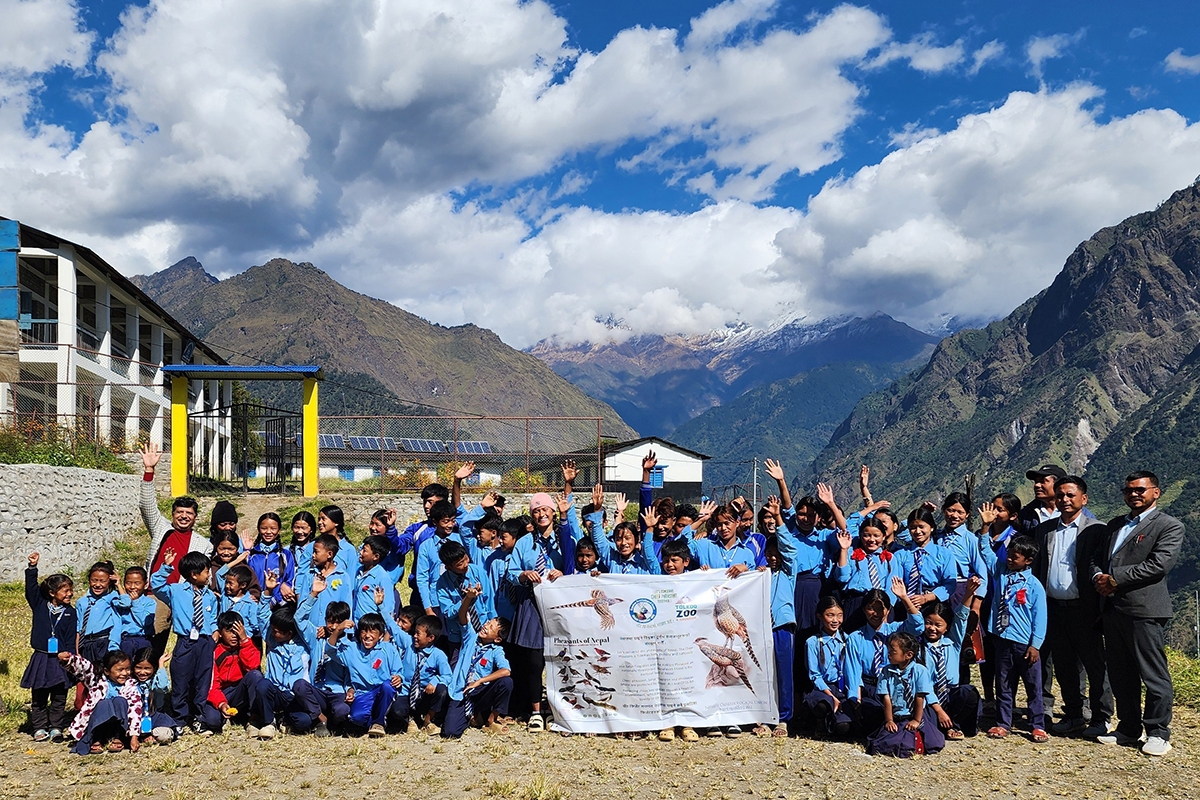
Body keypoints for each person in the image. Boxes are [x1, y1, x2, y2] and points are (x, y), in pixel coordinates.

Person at [1090, 470, 1183, 757]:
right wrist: (1097, 578)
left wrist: (1115, 579)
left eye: (1140, 490)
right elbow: (1097, 558)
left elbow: (1158, 565)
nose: (1134, 494)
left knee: (1152, 673)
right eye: (1129, 490)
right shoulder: (1117, 524)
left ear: (1156, 492)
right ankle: (1128, 728)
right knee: (1120, 673)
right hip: (1113, 609)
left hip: (1144, 610)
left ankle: (1157, 731)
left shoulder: (1168, 526)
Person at [1032, 475, 1111, 739]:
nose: (1065, 500)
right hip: (1054, 607)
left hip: (1085, 609)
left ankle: (1101, 717)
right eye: (1060, 496)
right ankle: (1074, 714)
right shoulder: (1046, 530)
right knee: (1065, 665)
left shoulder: (1097, 530)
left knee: (1094, 665)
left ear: (1083, 499)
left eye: (1070, 495)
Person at [985, 536, 1048, 742]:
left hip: (1025, 644)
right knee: (1003, 683)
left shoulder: (1033, 585)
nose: (1009, 560)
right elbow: (986, 553)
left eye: (1015, 557)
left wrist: (1035, 645)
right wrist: (985, 529)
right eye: (1009, 555)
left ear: (1028, 560)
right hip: (1003, 639)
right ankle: (1003, 723)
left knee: (1033, 686)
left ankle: (1037, 724)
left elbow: (1040, 618)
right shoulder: (1001, 573)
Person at [844, 577, 924, 735]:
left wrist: (904, 597)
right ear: (863, 609)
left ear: (888, 610)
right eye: (870, 608)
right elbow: (853, 672)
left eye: (880, 608)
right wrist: (856, 700)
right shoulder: (856, 637)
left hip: (896, 686)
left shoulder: (896, 630)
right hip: (870, 687)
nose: (875, 613)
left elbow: (918, 625)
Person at [150, 549, 219, 731]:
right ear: (194, 575)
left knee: (202, 680)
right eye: (206, 571)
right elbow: (156, 585)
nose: (209, 575)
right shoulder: (176, 591)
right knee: (181, 679)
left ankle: (198, 717)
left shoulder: (209, 595)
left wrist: (214, 632)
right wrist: (166, 567)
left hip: (204, 642)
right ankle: (179, 718)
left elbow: (212, 617)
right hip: (186, 641)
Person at [22, 552, 76, 742]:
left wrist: (71, 657)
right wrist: (32, 568)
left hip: (61, 659)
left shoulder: (71, 612)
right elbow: (30, 589)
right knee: (39, 695)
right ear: (52, 593)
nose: (69, 594)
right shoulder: (39, 605)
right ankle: (39, 727)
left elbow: (71, 637)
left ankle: (56, 726)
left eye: (70, 590)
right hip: (42, 657)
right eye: (65, 590)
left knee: (60, 695)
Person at [920, 577, 983, 739]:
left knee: (968, 693)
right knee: (928, 723)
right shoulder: (918, 647)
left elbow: (962, 615)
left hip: (950, 693)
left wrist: (969, 592)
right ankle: (942, 726)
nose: (932, 628)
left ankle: (955, 725)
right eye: (928, 623)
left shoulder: (952, 641)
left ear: (947, 626)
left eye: (938, 625)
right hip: (929, 697)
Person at [866, 631, 945, 757]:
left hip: (915, 714)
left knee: (918, 743)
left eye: (893, 651)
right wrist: (889, 720)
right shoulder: (886, 671)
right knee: (881, 744)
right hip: (896, 716)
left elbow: (920, 697)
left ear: (908, 655)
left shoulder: (920, 671)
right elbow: (886, 698)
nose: (889, 654)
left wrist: (916, 720)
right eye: (888, 650)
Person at [326, 611, 405, 737]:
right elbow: (330, 651)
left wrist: (398, 678)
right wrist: (338, 630)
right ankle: (374, 721)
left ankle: (379, 723)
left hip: (382, 691)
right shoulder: (352, 649)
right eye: (364, 631)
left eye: (372, 631)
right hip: (363, 693)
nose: (367, 636)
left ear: (380, 635)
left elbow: (398, 671)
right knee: (356, 718)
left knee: (388, 686)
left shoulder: (388, 649)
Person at [59, 649, 144, 754]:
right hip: (97, 725)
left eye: (127, 669)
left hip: (116, 727)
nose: (125, 673)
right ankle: (96, 738)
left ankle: (118, 737)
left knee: (120, 701)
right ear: (107, 671)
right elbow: (85, 668)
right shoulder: (96, 681)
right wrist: (70, 659)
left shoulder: (130, 686)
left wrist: (134, 736)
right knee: (104, 703)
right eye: (120, 670)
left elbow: (135, 710)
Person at [762, 495, 798, 737]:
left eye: (778, 553)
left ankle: (783, 719)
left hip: (783, 626)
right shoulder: (761, 574)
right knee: (764, 673)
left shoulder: (789, 572)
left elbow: (790, 550)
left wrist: (777, 517)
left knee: (784, 673)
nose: (774, 557)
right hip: (761, 627)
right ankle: (764, 716)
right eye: (770, 553)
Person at [441, 617, 513, 738]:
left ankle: (491, 720)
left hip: (480, 692)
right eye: (488, 622)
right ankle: (473, 716)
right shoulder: (470, 638)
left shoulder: (496, 651)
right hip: (461, 692)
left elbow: (506, 671)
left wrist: (480, 681)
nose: (486, 626)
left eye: (491, 627)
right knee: (450, 732)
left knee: (506, 682)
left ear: (497, 639)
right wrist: (468, 598)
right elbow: (463, 615)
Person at [258, 604, 322, 736]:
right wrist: (268, 592)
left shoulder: (305, 645)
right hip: (275, 691)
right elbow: (262, 616)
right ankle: (269, 723)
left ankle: (284, 719)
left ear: (289, 633)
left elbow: (302, 621)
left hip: (293, 697)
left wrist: (313, 596)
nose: (273, 633)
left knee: (304, 723)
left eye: (277, 631)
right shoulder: (272, 640)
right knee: (262, 685)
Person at [803, 596, 861, 739]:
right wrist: (832, 696)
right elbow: (814, 675)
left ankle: (834, 722)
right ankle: (819, 722)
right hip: (823, 690)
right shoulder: (812, 642)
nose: (835, 620)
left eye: (839, 615)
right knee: (823, 706)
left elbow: (854, 671)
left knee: (844, 728)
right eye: (830, 615)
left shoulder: (848, 640)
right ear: (819, 616)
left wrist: (855, 697)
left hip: (842, 689)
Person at [296, 598, 353, 736]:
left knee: (342, 710)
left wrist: (350, 690)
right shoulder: (317, 638)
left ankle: (334, 723)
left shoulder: (350, 645)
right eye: (330, 621)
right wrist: (313, 595)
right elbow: (299, 619)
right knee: (299, 685)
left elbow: (347, 667)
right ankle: (321, 718)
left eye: (338, 623)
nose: (334, 626)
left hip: (337, 692)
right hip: (318, 690)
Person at [201, 612, 265, 734]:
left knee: (255, 675)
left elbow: (253, 667)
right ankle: (226, 717)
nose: (234, 635)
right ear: (220, 633)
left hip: (240, 691)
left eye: (237, 631)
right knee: (212, 721)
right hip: (221, 692)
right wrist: (221, 703)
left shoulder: (247, 644)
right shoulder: (214, 651)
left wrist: (244, 640)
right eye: (229, 631)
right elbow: (212, 684)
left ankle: (254, 718)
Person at [435, 539, 495, 658]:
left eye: (465, 559)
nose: (465, 564)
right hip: (458, 636)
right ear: (448, 567)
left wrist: (492, 624)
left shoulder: (477, 572)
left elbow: (489, 601)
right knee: (457, 665)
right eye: (459, 564)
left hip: (481, 629)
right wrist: (466, 599)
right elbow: (448, 612)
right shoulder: (443, 583)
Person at [407, 615, 453, 734]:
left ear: (431, 637)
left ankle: (427, 721)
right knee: (398, 711)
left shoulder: (439, 655)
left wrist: (435, 681)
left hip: (424, 694)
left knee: (442, 690)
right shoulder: (409, 647)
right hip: (407, 692)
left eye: (418, 634)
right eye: (414, 633)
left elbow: (448, 676)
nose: (414, 636)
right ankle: (410, 720)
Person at [75, 561, 121, 670]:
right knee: (87, 676)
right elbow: (78, 628)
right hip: (86, 643)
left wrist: (118, 584)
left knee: (105, 674)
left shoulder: (112, 598)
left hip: (103, 642)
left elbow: (126, 602)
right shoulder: (82, 602)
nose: (98, 584)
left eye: (102, 581)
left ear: (109, 582)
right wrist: (77, 651)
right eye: (94, 580)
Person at [130, 647, 177, 745]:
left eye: (147, 668)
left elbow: (163, 686)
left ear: (154, 668)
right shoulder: (130, 683)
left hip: (154, 717)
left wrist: (161, 664)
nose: (142, 672)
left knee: (164, 735)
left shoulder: (155, 682)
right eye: (138, 667)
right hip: (135, 717)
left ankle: (150, 734)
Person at [247, 513, 295, 606]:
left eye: (273, 528)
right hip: (253, 602)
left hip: (277, 604)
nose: (268, 532)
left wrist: (275, 600)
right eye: (264, 528)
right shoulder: (251, 554)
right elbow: (245, 578)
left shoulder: (285, 555)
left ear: (279, 530)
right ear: (258, 529)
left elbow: (290, 579)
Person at [112, 566, 156, 657]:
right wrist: (118, 585)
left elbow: (144, 621)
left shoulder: (150, 603)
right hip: (125, 641)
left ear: (146, 584)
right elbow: (125, 603)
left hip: (143, 640)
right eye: (128, 583)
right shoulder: (119, 601)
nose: (132, 587)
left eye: (137, 583)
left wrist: (136, 602)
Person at [353, 535, 395, 623]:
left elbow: (388, 607)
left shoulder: (382, 577)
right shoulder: (359, 571)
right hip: (356, 625)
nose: (360, 552)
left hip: (371, 627)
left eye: (364, 551)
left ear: (376, 556)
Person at [1017, 464, 1066, 534]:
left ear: (1058, 485)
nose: (1037, 485)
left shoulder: (1075, 513)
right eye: (1036, 481)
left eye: (1042, 481)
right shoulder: (1026, 514)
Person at [317, 504, 356, 578]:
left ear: (336, 522)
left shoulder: (349, 550)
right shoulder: (313, 546)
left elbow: (351, 577)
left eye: (323, 519)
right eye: (319, 519)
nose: (319, 522)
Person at [289, 511, 318, 577]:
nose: (299, 531)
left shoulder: (318, 550)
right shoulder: (286, 551)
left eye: (303, 528)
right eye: (296, 527)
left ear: (312, 529)